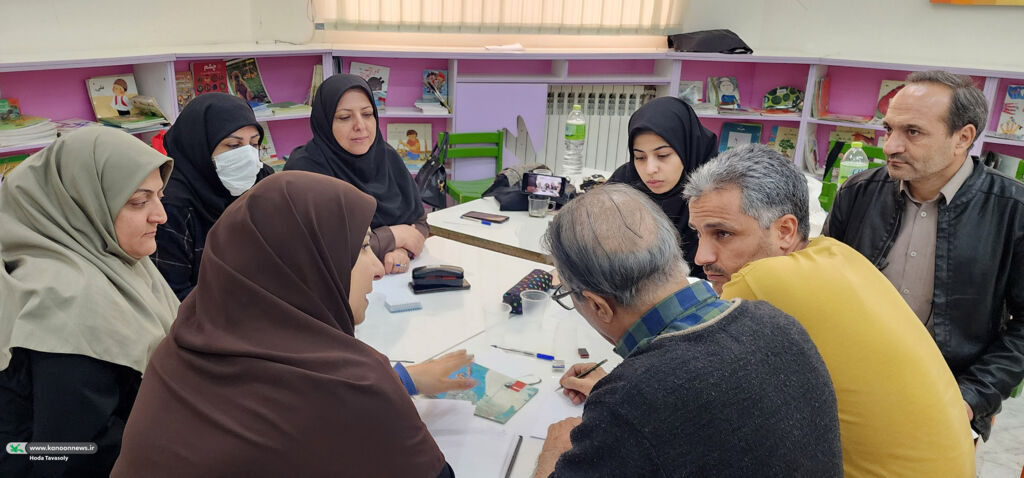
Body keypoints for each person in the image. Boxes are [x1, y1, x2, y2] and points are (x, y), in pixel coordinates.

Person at [112, 172, 469, 478]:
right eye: (360, 249)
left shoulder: (181, 347)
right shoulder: (353, 385)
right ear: (305, 265)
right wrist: (388, 388)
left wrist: (400, 380)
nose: (376, 268)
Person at [684, 144, 975, 476]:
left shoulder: (760, 280)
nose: (701, 256)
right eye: (698, 234)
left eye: (723, 234)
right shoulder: (835, 252)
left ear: (784, 231)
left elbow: (685, 391)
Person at [533, 183, 841, 477]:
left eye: (568, 295)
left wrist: (556, 450)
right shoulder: (779, 322)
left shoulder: (630, 403)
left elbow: (665, 399)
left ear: (598, 305)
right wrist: (622, 396)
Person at [823, 70, 1024, 441]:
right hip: (850, 385)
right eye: (888, 129)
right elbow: (823, 287)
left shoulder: (1013, 210)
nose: (890, 146)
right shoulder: (858, 193)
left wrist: (971, 398)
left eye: (912, 132)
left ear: (963, 138)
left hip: (949, 394)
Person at [0, 127, 179, 477]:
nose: (161, 215)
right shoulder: (67, 301)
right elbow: (69, 454)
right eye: (139, 201)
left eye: (160, 196)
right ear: (82, 203)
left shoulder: (111, 258)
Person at [286, 74, 426, 275]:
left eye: (367, 114)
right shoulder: (304, 172)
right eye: (345, 117)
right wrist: (394, 237)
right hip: (334, 288)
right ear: (324, 122)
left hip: (391, 283)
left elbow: (419, 222)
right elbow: (321, 253)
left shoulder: (386, 156)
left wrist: (401, 250)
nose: (360, 125)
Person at [151, 93, 274, 300]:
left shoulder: (263, 182)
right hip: (206, 313)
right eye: (233, 146)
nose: (247, 156)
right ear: (199, 145)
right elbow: (173, 296)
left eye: (254, 144)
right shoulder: (172, 205)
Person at [607, 96, 717, 279]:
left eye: (663, 155)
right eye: (640, 157)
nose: (650, 169)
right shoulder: (625, 182)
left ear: (686, 148)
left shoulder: (718, 188)